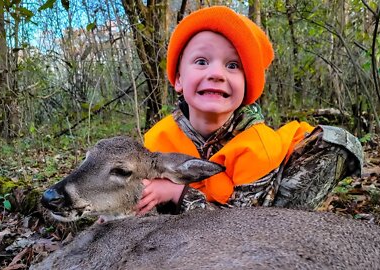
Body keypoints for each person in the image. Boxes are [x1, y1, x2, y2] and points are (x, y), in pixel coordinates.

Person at [136, 6, 362, 216]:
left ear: (247, 88)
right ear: (178, 79)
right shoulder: (158, 140)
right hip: (207, 209)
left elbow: (242, 225)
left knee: (270, 220)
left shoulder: (257, 147)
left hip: (256, 203)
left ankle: (289, 224)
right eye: (202, 61)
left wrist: (177, 193)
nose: (217, 73)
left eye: (233, 65)